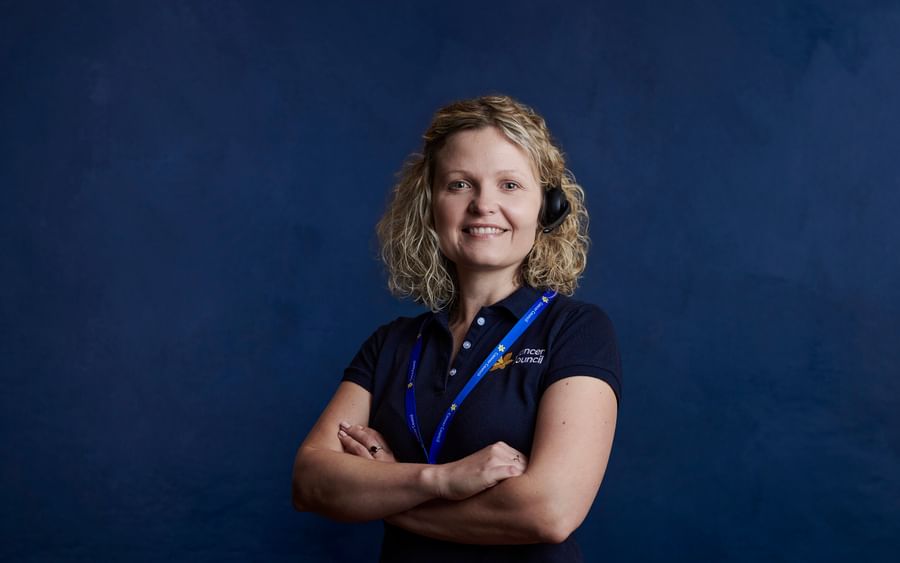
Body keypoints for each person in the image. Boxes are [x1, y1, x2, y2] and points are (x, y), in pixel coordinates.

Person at [292, 95, 621, 562]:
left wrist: (387, 492)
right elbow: (310, 482)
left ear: (547, 208)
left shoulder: (576, 331)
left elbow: (549, 512)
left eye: (510, 185)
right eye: (460, 184)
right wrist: (442, 480)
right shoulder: (390, 344)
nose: (483, 205)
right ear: (430, 204)